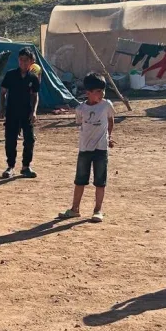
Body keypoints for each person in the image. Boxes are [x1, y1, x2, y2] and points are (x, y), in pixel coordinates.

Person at [59, 73, 115, 223]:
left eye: (103, 90)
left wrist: (109, 137)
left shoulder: (107, 105)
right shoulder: (80, 109)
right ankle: (75, 209)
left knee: (100, 181)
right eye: (98, 91)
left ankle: (98, 210)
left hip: (101, 149)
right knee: (80, 180)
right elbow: (80, 123)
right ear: (88, 92)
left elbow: (110, 120)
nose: (102, 94)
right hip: (84, 149)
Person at [0, 47, 41, 179]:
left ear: (31, 61)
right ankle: (10, 166)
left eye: (26, 60)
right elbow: (3, 93)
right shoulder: (10, 75)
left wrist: (34, 112)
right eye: (21, 60)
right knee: (10, 140)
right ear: (18, 60)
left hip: (26, 113)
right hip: (12, 112)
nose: (23, 62)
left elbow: (35, 95)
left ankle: (26, 167)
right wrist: (2, 108)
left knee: (29, 139)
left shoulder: (33, 78)